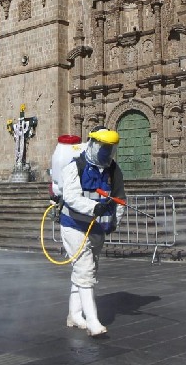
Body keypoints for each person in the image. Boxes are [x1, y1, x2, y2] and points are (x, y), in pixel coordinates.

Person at [59, 125, 126, 336]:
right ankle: (93, 321)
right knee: (85, 269)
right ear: (93, 144)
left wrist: (115, 221)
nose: (107, 152)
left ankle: (74, 314)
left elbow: (120, 198)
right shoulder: (75, 167)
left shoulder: (113, 170)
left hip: (97, 227)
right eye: (103, 147)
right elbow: (71, 197)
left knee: (86, 270)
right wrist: (94, 207)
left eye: (110, 148)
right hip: (74, 225)